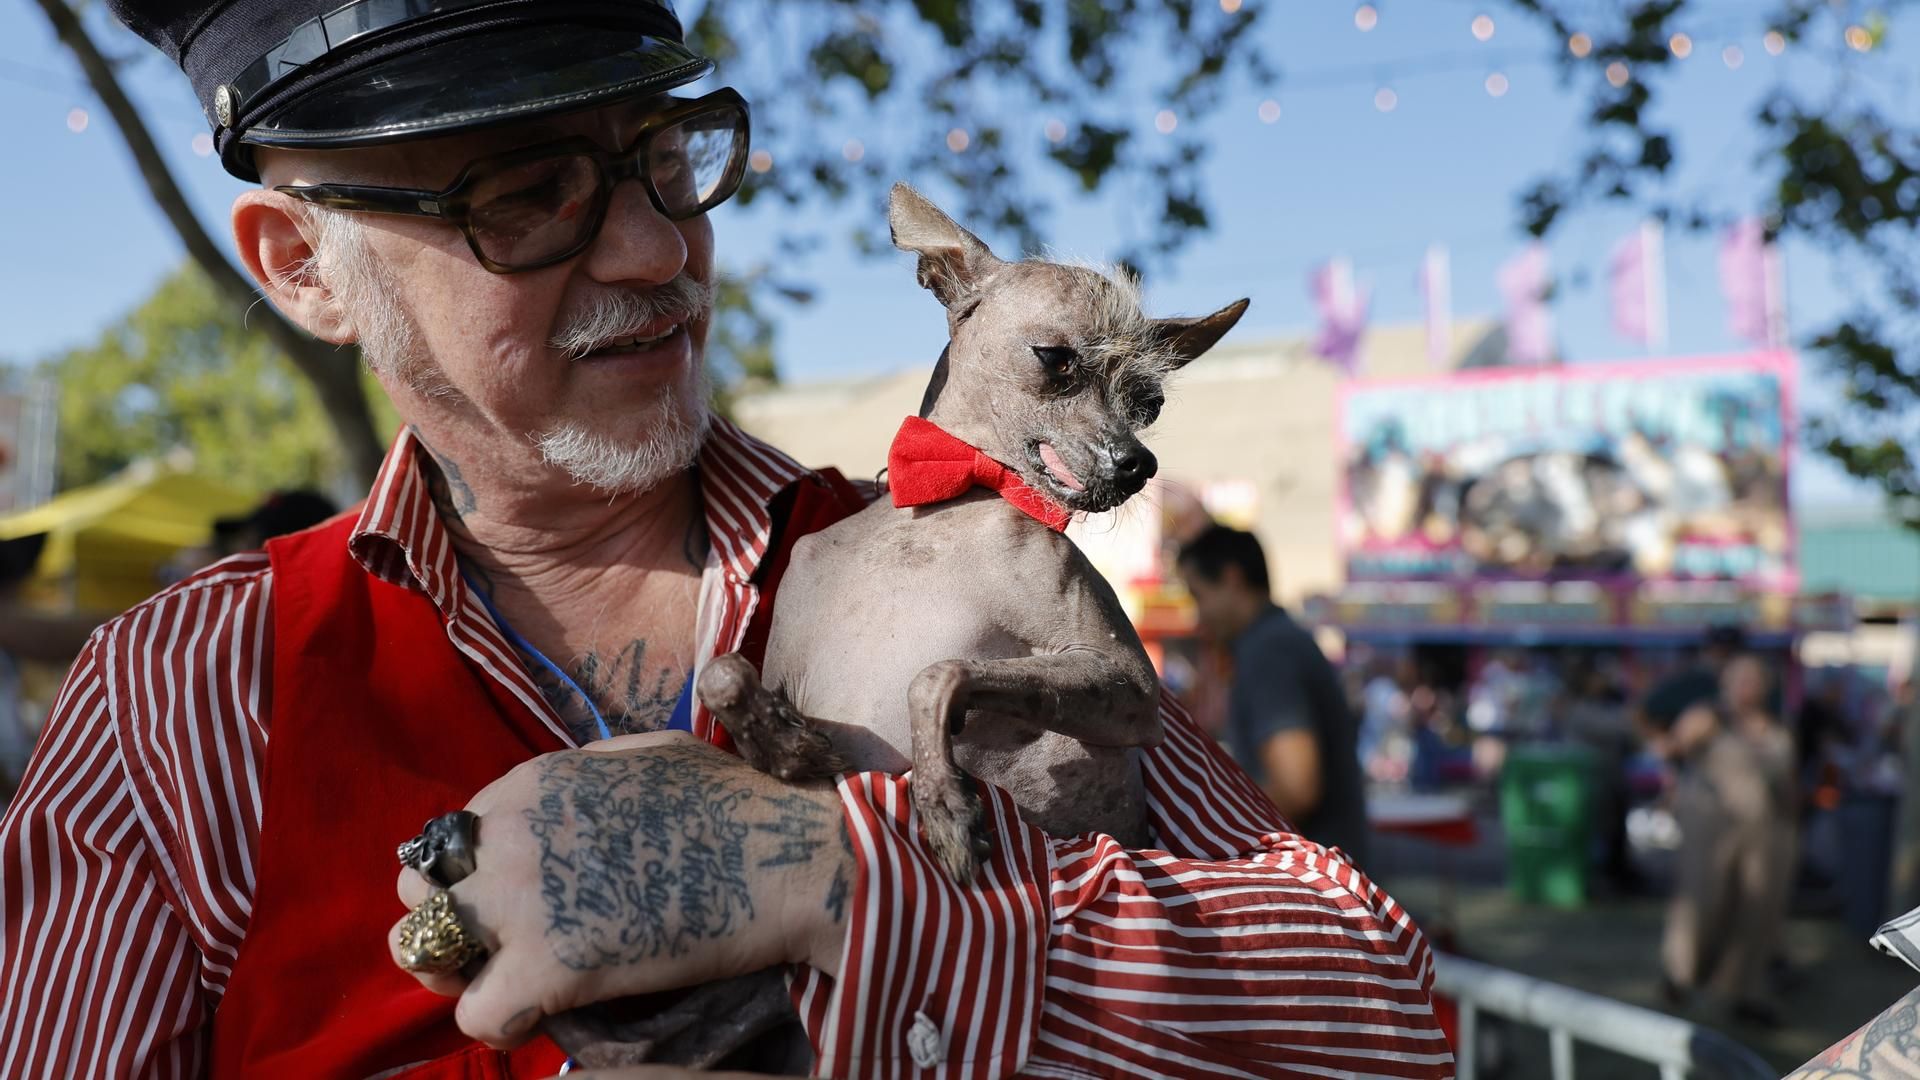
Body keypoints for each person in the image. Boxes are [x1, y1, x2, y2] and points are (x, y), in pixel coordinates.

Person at [0, 2, 1448, 1077]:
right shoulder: (184, 692)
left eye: (661, 154)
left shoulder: (968, 559)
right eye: (521, 192)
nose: (654, 251)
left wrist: (827, 877)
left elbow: (1390, 1017)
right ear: (307, 268)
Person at [1177, 524, 1371, 866]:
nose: (1198, 616)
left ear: (1232, 578)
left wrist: (1210, 836)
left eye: (1199, 595)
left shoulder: (1269, 650)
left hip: (1314, 886)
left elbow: (1296, 788)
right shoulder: (1276, 642)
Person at [1659, 653, 1795, 1024]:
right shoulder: (1709, 717)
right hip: (1711, 827)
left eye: (1754, 680)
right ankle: (1681, 976)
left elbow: (1786, 784)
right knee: (1702, 902)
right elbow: (1670, 749)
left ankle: (1741, 990)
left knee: (1756, 909)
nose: (1747, 687)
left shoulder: (1775, 727)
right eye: (1740, 679)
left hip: (1765, 830)